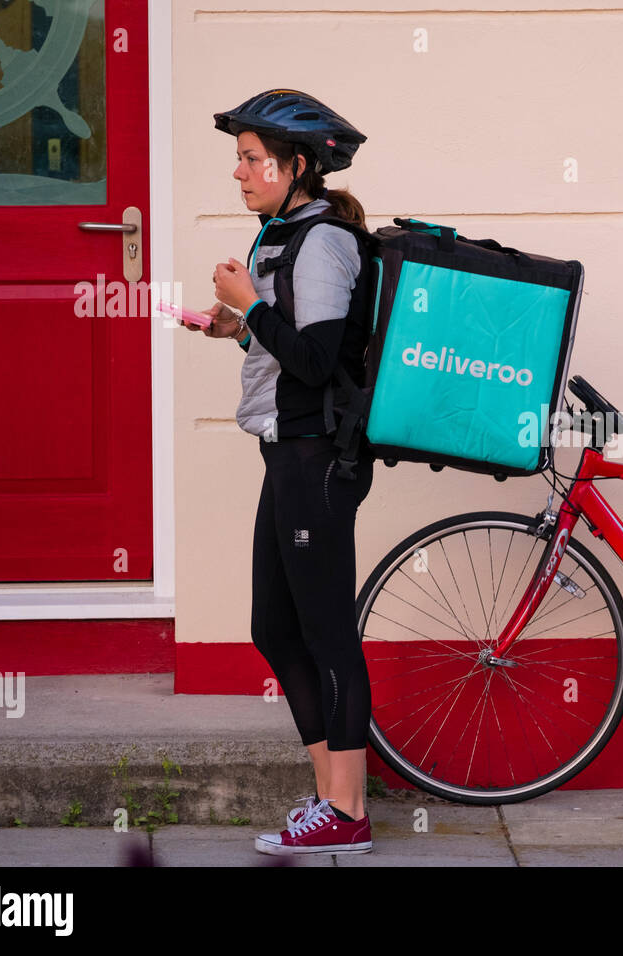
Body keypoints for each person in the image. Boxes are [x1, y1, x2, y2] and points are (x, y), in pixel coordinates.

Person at [183, 89, 376, 855]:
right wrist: (238, 325)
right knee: (275, 626)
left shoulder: (323, 241)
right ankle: (330, 796)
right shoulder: (286, 236)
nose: (238, 171)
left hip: (318, 458)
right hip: (285, 451)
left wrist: (250, 308)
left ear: (297, 166)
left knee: (327, 632)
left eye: (251, 158)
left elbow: (320, 360)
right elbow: (292, 346)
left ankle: (349, 811)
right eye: (238, 156)